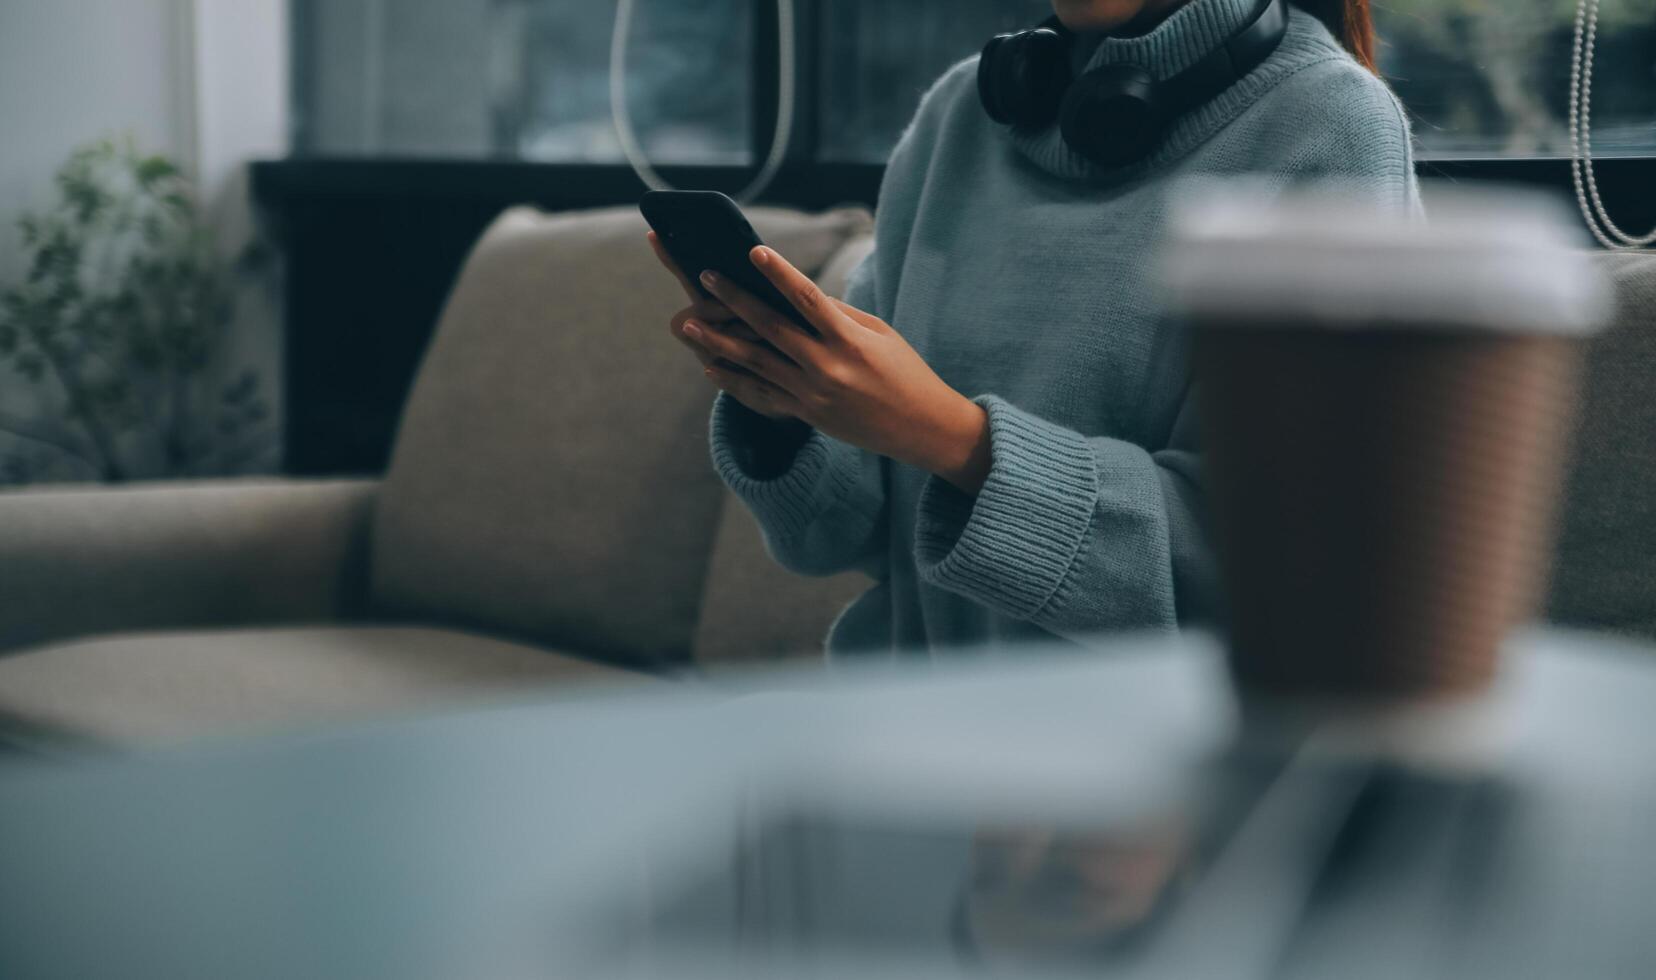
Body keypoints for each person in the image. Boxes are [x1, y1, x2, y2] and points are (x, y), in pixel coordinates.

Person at [651, 0, 1416, 656]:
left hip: (1146, 784)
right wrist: (785, 413)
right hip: (909, 743)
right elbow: (838, 538)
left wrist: (957, 441)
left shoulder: (1330, 128)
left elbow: (1285, 577)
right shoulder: (959, 115)